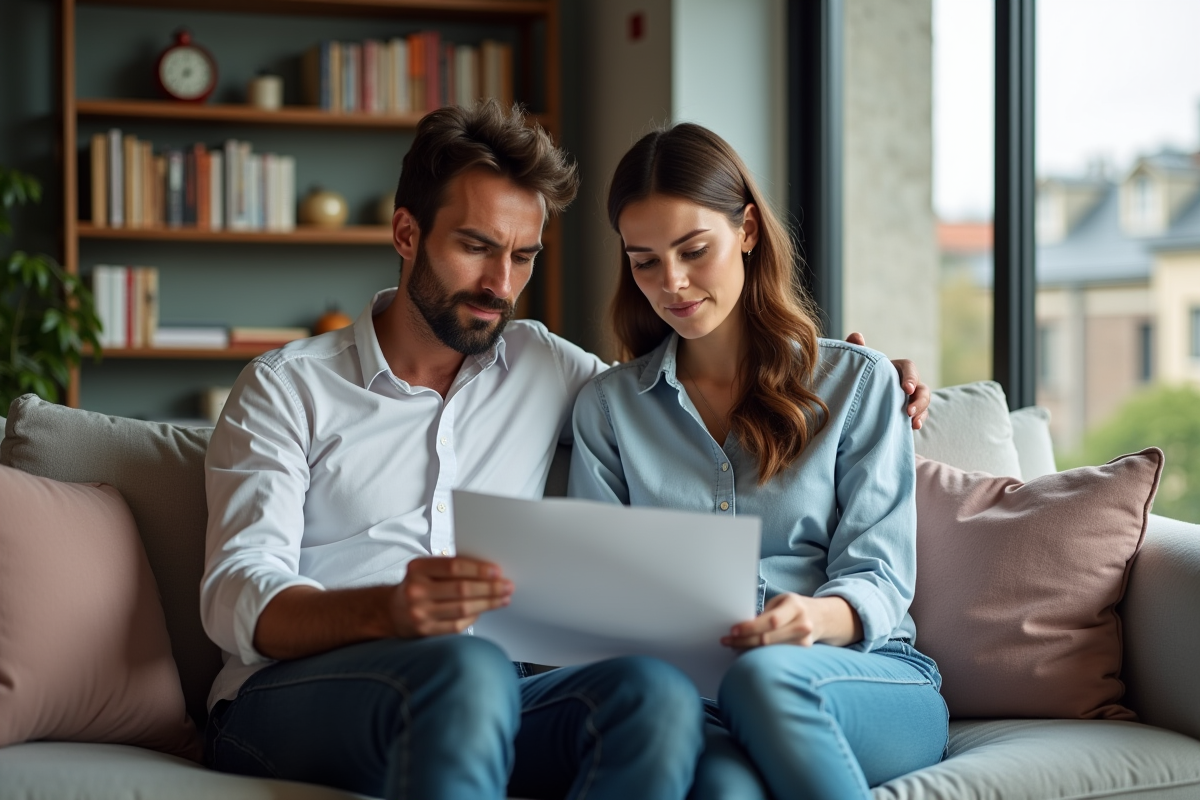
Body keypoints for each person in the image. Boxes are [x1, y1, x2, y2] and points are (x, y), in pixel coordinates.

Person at [200, 101, 932, 800]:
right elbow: (234, 591)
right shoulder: (287, 387)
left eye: (523, 257)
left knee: (652, 693)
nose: (501, 285)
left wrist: (868, 375)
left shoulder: (548, 370)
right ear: (405, 234)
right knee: (468, 666)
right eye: (476, 247)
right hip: (305, 686)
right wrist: (387, 610)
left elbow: (665, 389)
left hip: (500, 686)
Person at [568, 122, 949, 800]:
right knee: (722, 790)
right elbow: (602, 601)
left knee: (761, 679)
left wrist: (812, 618)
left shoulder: (856, 383)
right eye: (644, 260)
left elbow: (881, 576)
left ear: (746, 229)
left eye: (694, 250)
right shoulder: (609, 409)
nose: (672, 283)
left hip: (863, 677)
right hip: (705, 698)